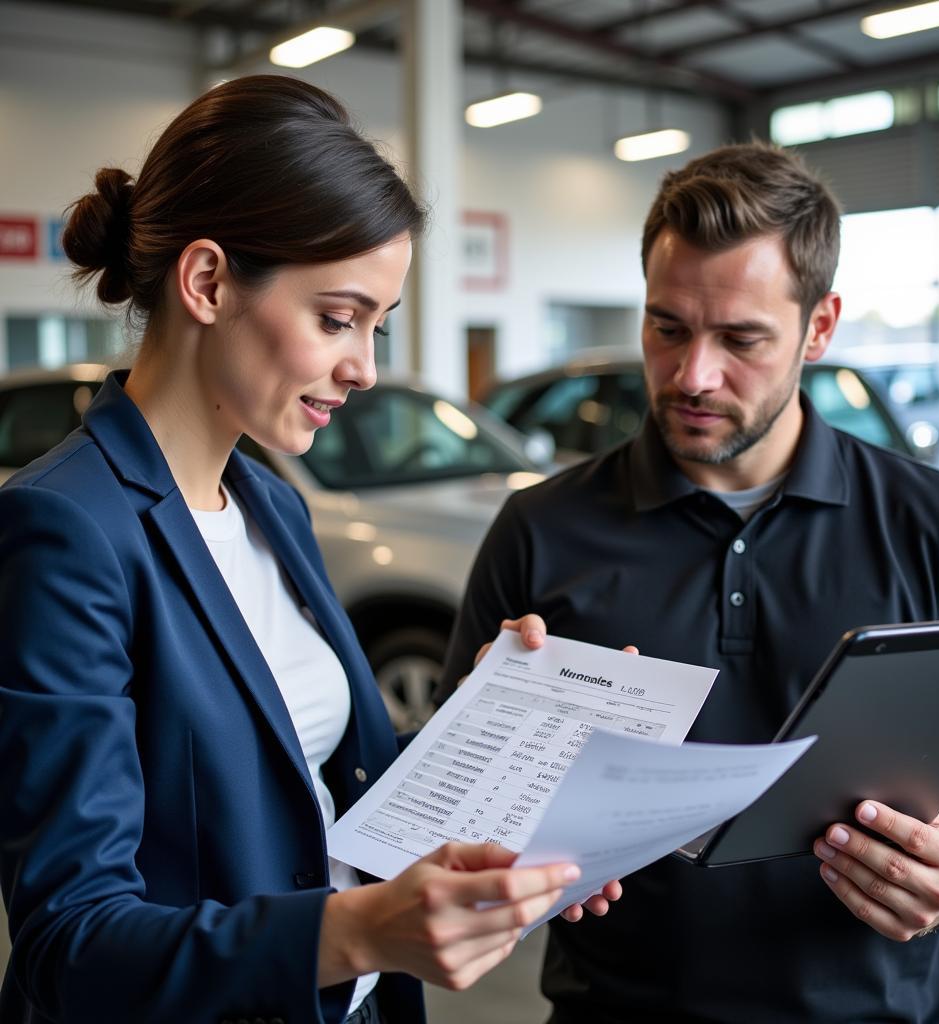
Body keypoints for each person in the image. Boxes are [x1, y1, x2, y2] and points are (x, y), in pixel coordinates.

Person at [0, 75, 595, 1024]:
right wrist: (356, 931)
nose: (363, 366)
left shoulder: (272, 505)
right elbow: (72, 943)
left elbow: (312, 782)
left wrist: (489, 734)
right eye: (337, 318)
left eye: (375, 327)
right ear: (206, 282)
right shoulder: (67, 530)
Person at [441, 141, 939, 1023]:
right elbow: (456, 834)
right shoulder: (541, 528)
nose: (692, 375)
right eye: (667, 327)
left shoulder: (937, 525)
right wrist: (499, 752)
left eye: (741, 339)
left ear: (819, 327)